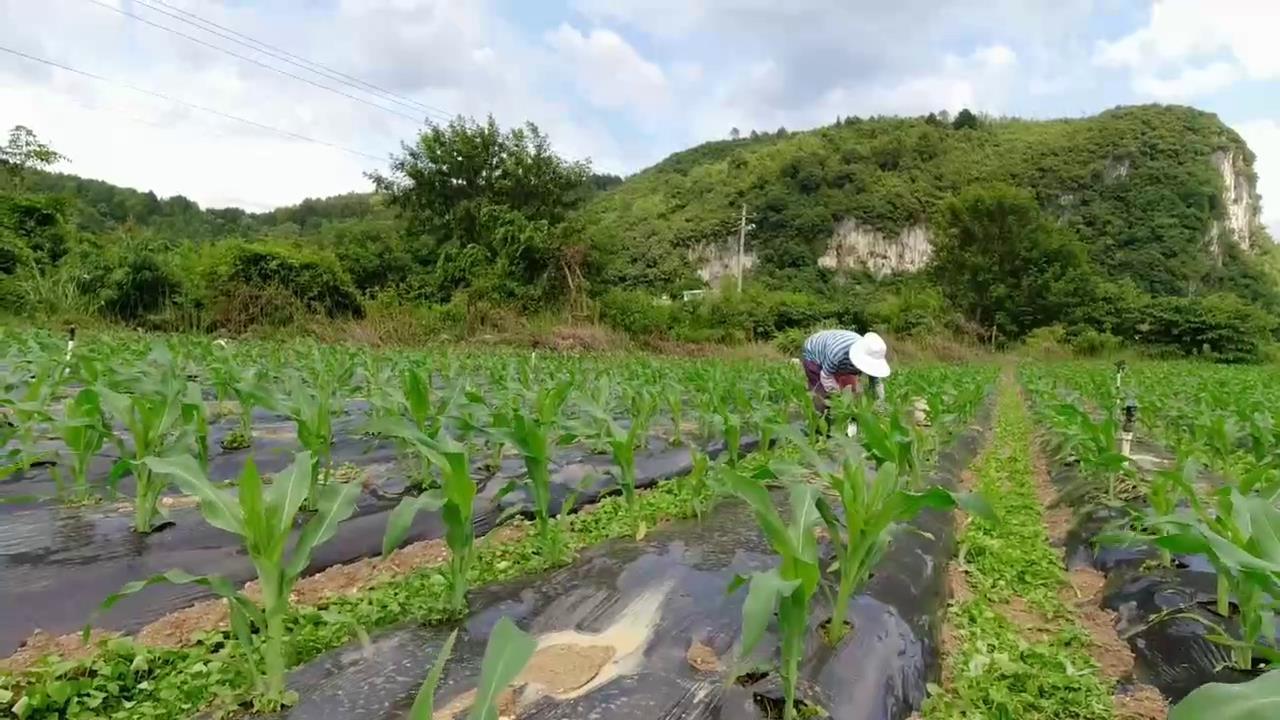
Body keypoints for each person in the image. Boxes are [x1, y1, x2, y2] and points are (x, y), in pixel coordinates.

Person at [799, 329, 891, 420]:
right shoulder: (837, 353)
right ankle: (820, 421)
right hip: (814, 353)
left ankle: (848, 421)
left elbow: (876, 383)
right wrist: (838, 398)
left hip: (839, 358)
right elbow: (826, 376)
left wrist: (880, 405)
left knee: (851, 392)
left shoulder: (871, 353)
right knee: (822, 393)